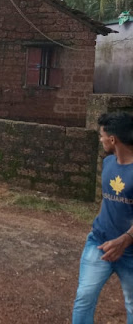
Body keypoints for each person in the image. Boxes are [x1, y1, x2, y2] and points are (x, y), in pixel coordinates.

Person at [73, 112, 133, 323]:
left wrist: (125, 240)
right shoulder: (108, 163)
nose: (100, 139)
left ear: (113, 139)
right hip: (99, 243)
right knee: (84, 298)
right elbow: (107, 200)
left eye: (102, 135)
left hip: (130, 252)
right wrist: (98, 227)